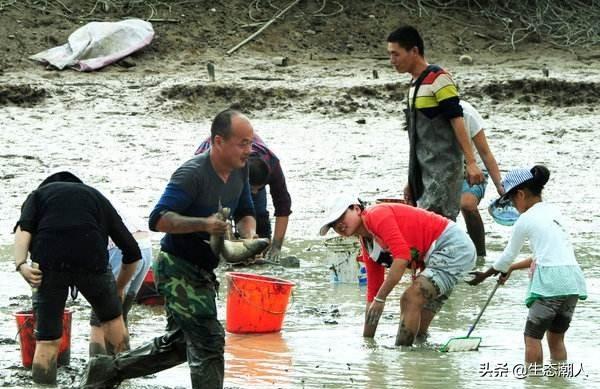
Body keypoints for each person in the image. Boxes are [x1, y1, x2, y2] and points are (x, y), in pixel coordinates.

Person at [80, 109, 258, 389]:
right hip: (177, 267)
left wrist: (249, 236)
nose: (249, 150)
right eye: (242, 143)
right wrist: (204, 224)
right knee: (209, 340)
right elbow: (158, 218)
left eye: (251, 143)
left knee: (178, 346)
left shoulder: (240, 170)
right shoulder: (192, 174)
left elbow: (246, 209)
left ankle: (107, 369)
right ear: (219, 141)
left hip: (203, 270)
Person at [13, 171, 140, 385]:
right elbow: (132, 251)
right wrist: (118, 287)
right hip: (91, 259)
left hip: (49, 264)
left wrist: (21, 265)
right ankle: (124, 381)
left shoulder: (38, 195)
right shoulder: (94, 196)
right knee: (112, 322)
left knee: (47, 341)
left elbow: (23, 229)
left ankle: (44, 385)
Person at [319, 194, 476, 346]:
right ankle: (418, 361)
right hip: (434, 258)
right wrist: (367, 343)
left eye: (341, 217)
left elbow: (402, 258)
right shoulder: (368, 245)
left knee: (410, 299)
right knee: (417, 330)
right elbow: (372, 294)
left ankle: (403, 357)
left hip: (452, 247)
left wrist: (381, 299)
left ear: (356, 209)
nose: (338, 225)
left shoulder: (377, 215)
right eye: (333, 224)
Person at [468, 165, 587, 365]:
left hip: (550, 284)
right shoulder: (554, 212)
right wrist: (512, 269)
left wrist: (485, 275)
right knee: (556, 339)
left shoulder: (525, 220)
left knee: (532, 338)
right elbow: (543, 256)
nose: (513, 206)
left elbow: (506, 256)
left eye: (512, 200)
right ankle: (559, 381)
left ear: (521, 194)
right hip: (572, 282)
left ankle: (533, 381)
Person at [387, 25, 484, 220]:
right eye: (390, 55)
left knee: (438, 230)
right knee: (429, 230)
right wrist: (411, 180)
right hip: (424, 174)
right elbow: (417, 140)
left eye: (396, 54)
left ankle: (474, 252)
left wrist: (471, 163)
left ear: (414, 51)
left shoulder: (439, 79)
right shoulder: (414, 85)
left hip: (444, 173)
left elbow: (457, 121)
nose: (392, 61)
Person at [195, 133, 292, 262]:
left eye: (260, 188)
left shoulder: (273, 165)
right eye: (251, 189)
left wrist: (276, 246)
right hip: (211, 175)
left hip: (246, 164)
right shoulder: (219, 167)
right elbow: (216, 210)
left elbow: (283, 207)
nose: (255, 193)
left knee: (259, 213)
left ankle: (257, 249)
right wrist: (226, 238)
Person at [89, 199, 153, 356]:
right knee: (120, 314)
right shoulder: (95, 198)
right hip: (145, 245)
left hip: (120, 248)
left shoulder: (74, 206)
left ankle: (97, 365)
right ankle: (124, 365)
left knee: (102, 315)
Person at [459, 100, 504, 257]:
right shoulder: (423, 108)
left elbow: (485, 152)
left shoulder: (466, 113)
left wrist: (500, 185)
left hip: (473, 168)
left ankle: (479, 256)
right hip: (440, 168)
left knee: (467, 204)